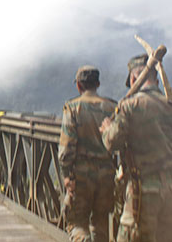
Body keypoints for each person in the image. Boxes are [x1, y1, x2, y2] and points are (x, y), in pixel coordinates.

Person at [100, 54, 172, 242]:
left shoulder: (130, 107)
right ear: (157, 79)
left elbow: (112, 143)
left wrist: (106, 129)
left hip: (142, 194)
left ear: (134, 79)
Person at [59, 65, 117, 242]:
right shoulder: (113, 107)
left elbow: (67, 146)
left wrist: (67, 174)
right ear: (98, 84)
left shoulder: (72, 108)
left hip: (81, 177)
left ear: (78, 86)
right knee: (101, 225)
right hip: (107, 176)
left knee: (77, 224)